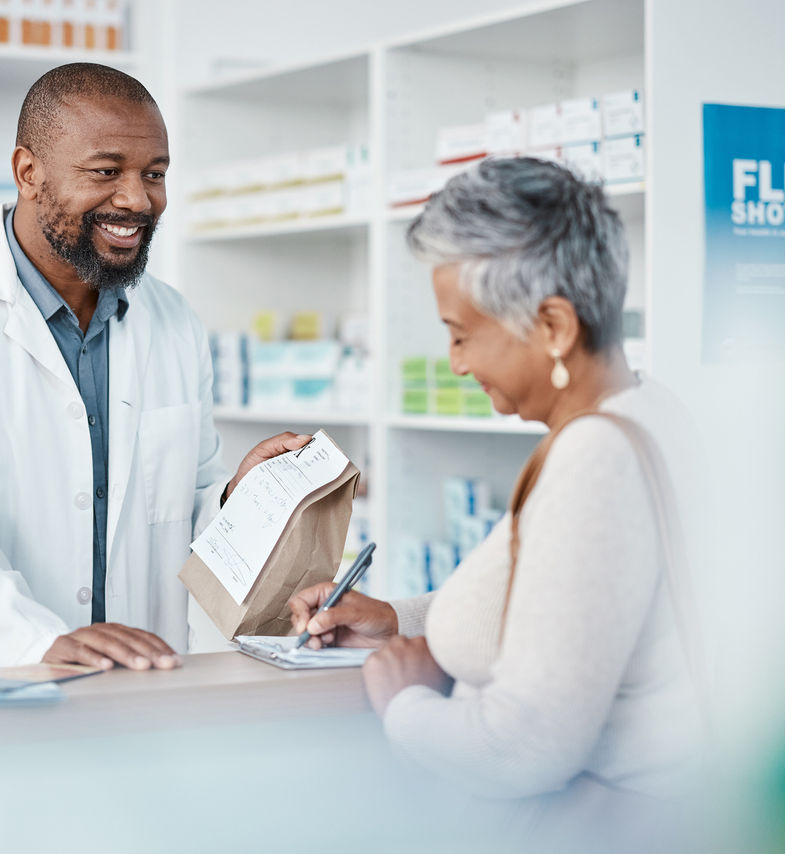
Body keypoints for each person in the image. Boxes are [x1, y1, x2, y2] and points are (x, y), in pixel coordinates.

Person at [0, 63, 308, 673]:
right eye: (105, 171)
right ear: (27, 172)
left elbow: (182, 517)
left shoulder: (172, 320)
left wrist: (237, 500)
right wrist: (36, 644)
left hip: (137, 691)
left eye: (155, 174)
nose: (137, 200)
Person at [289, 158, 704, 807]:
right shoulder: (649, 411)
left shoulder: (595, 459)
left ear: (554, 327)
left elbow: (526, 745)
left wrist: (405, 704)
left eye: (461, 336)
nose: (455, 364)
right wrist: (393, 620)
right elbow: (548, 606)